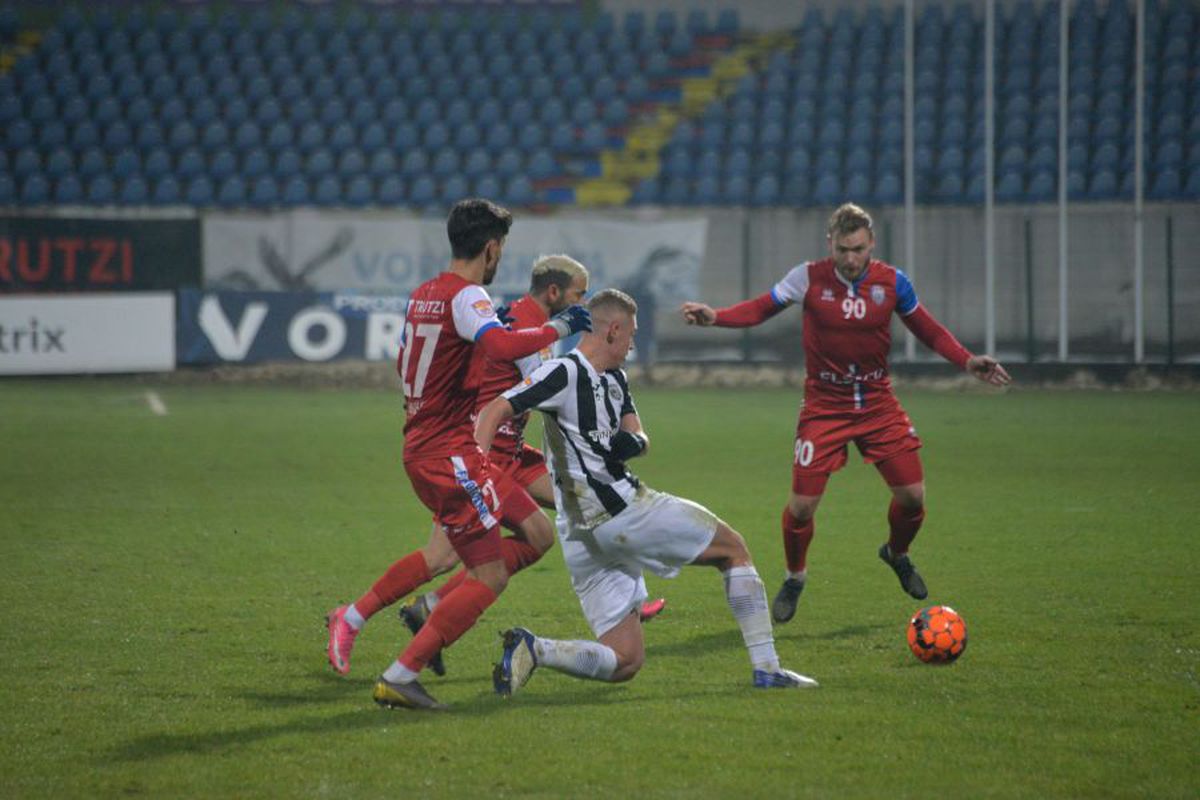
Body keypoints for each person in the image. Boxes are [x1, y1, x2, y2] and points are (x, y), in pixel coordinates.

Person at [680, 203, 1011, 624]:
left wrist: (967, 361)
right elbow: (762, 307)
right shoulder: (808, 277)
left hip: (877, 403)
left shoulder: (893, 282)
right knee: (801, 507)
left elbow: (927, 328)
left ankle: (897, 553)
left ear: (871, 242)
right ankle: (795, 577)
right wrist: (716, 318)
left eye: (857, 249)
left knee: (912, 497)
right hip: (824, 406)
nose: (851, 259)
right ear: (830, 245)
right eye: (842, 250)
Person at [477, 289, 818, 695]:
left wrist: (633, 443)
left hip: (581, 536)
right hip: (620, 512)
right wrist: (477, 475)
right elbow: (494, 409)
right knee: (734, 549)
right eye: (631, 335)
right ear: (613, 331)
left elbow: (638, 432)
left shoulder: (616, 379)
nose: (633, 345)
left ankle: (536, 650)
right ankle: (768, 668)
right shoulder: (565, 372)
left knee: (625, 660)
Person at [324, 199, 593, 710]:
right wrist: (561, 328)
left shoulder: (424, 293)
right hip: (450, 452)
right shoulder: (469, 297)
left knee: (502, 543)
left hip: (433, 444)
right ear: (491, 248)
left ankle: (372, 620)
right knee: (485, 572)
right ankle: (402, 667)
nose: (499, 260)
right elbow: (499, 347)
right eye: (501, 249)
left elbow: (409, 358)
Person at [397, 255, 666, 678]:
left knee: (589, 501)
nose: (585, 304)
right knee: (443, 557)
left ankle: (631, 597)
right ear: (555, 292)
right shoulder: (524, 323)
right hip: (488, 454)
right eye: (580, 294)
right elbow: (533, 389)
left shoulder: (531, 323)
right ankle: (382, 616)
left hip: (515, 452)